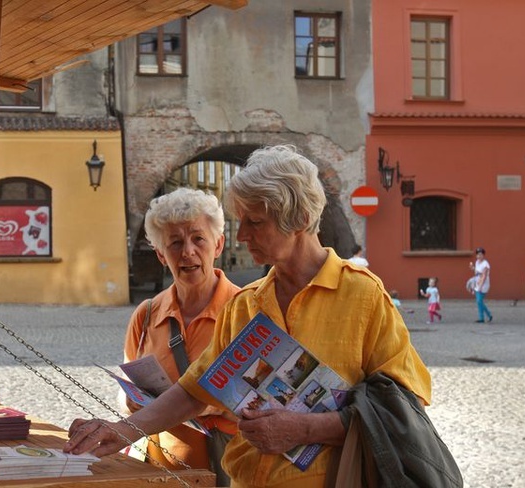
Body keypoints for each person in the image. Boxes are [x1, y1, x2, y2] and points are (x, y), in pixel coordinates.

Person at [65, 145, 431, 487]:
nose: (241, 236)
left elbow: (400, 410)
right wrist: (123, 429)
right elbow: (196, 390)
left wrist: (305, 430)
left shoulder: (362, 295)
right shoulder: (247, 304)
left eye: (254, 222)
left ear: (300, 218)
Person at [121, 187, 240, 485]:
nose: (187, 251)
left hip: (226, 467)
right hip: (159, 469)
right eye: (174, 242)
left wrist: (187, 404)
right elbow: (126, 393)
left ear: (218, 244)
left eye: (198, 238)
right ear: (161, 255)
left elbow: (263, 401)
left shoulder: (244, 311)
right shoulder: (146, 314)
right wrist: (131, 401)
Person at [470, 247, 492, 323]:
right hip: (477, 282)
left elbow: (484, 276)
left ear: (483, 255)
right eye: (478, 254)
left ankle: (488, 314)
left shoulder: (485, 264)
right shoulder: (477, 262)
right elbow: (477, 272)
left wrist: (480, 286)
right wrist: (473, 268)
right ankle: (481, 318)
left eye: (480, 254)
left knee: (479, 300)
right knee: (479, 301)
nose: (479, 256)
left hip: (484, 284)